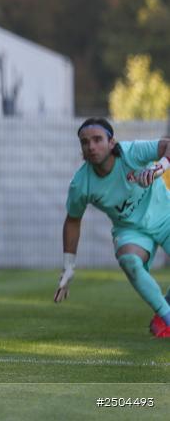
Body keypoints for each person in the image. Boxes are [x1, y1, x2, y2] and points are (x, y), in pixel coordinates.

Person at [55, 118, 170, 338]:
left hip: (165, 214)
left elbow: (167, 145)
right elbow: (72, 220)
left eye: (97, 139)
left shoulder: (131, 153)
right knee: (129, 261)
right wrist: (68, 266)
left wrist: (160, 166)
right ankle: (167, 318)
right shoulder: (81, 184)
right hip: (131, 230)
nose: (91, 146)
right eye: (85, 142)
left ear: (111, 142)